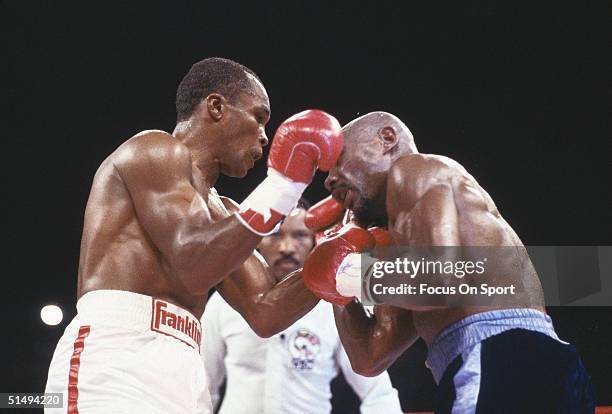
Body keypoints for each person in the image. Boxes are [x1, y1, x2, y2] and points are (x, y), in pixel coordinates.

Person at [44, 57, 344, 414]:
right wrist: (285, 185)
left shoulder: (227, 215)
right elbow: (193, 262)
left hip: (185, 368)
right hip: (116, 358)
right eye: (259, 117)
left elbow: (266, 311)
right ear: (216, 107)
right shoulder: (152, 150)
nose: (265, 136)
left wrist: (339, 253)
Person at [302, 112, 595, 412]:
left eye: (338, 158)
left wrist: (348, 273)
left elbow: (441, 283)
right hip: (532, 364)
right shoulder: (408, 246)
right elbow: (370, 356)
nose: (329, 179)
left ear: (386, 139)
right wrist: (337, 282)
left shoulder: (415, 169)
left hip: (498, 358)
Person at [201, 202, 403, 414]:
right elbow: (203, 386)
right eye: (275, 235)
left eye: (299, 235)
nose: (286, 247)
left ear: (315, 241)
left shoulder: (336, 305)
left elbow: (377, 393)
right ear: (258, 241)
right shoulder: (225, 303)